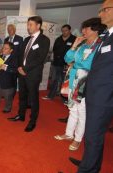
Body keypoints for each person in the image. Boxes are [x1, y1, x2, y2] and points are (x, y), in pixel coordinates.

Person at [69, 1, 113, 172]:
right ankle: (90, 164)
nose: (100, 14)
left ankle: (88, 169)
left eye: (104, 10)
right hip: (95, 93)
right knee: (93, 135)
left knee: (93, 136)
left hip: (105, 96)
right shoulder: (106, 36)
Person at [54, 18, 105, 151]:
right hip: (73, 81)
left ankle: (77, 139)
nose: (83, 31)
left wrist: (75, 64)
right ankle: (69, 134)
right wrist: (74, 45)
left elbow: (89, 65)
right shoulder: (83, 46)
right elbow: (67, 59)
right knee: (72, 109)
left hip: (86, 83)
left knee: (82, 112)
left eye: (86, 28)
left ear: (95, 30)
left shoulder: (100, 45)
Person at [8, 16, 50, 132]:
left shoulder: (44, 40)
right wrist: (19, 67)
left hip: (33, 74)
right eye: (28, 24)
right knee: (22, 96)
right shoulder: (26, 40)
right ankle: (21, 115)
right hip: (22, 72)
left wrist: (25, 69)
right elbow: (21, 55)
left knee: (33, 98)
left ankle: (33, 121)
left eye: (30, 24)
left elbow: (40, 58)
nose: (28, 27)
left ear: (38, 26)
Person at [42, 24, 76, 100]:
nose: (64, 32)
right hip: (57, 63)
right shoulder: (58, 39)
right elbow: (54, 49)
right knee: (54, 80)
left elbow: (75, 52)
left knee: (65, 81)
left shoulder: (74, 39)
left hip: (67, 64)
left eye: (66, 30)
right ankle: (51, 95)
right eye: (62, 31)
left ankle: (65, 99)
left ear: (69, 30)